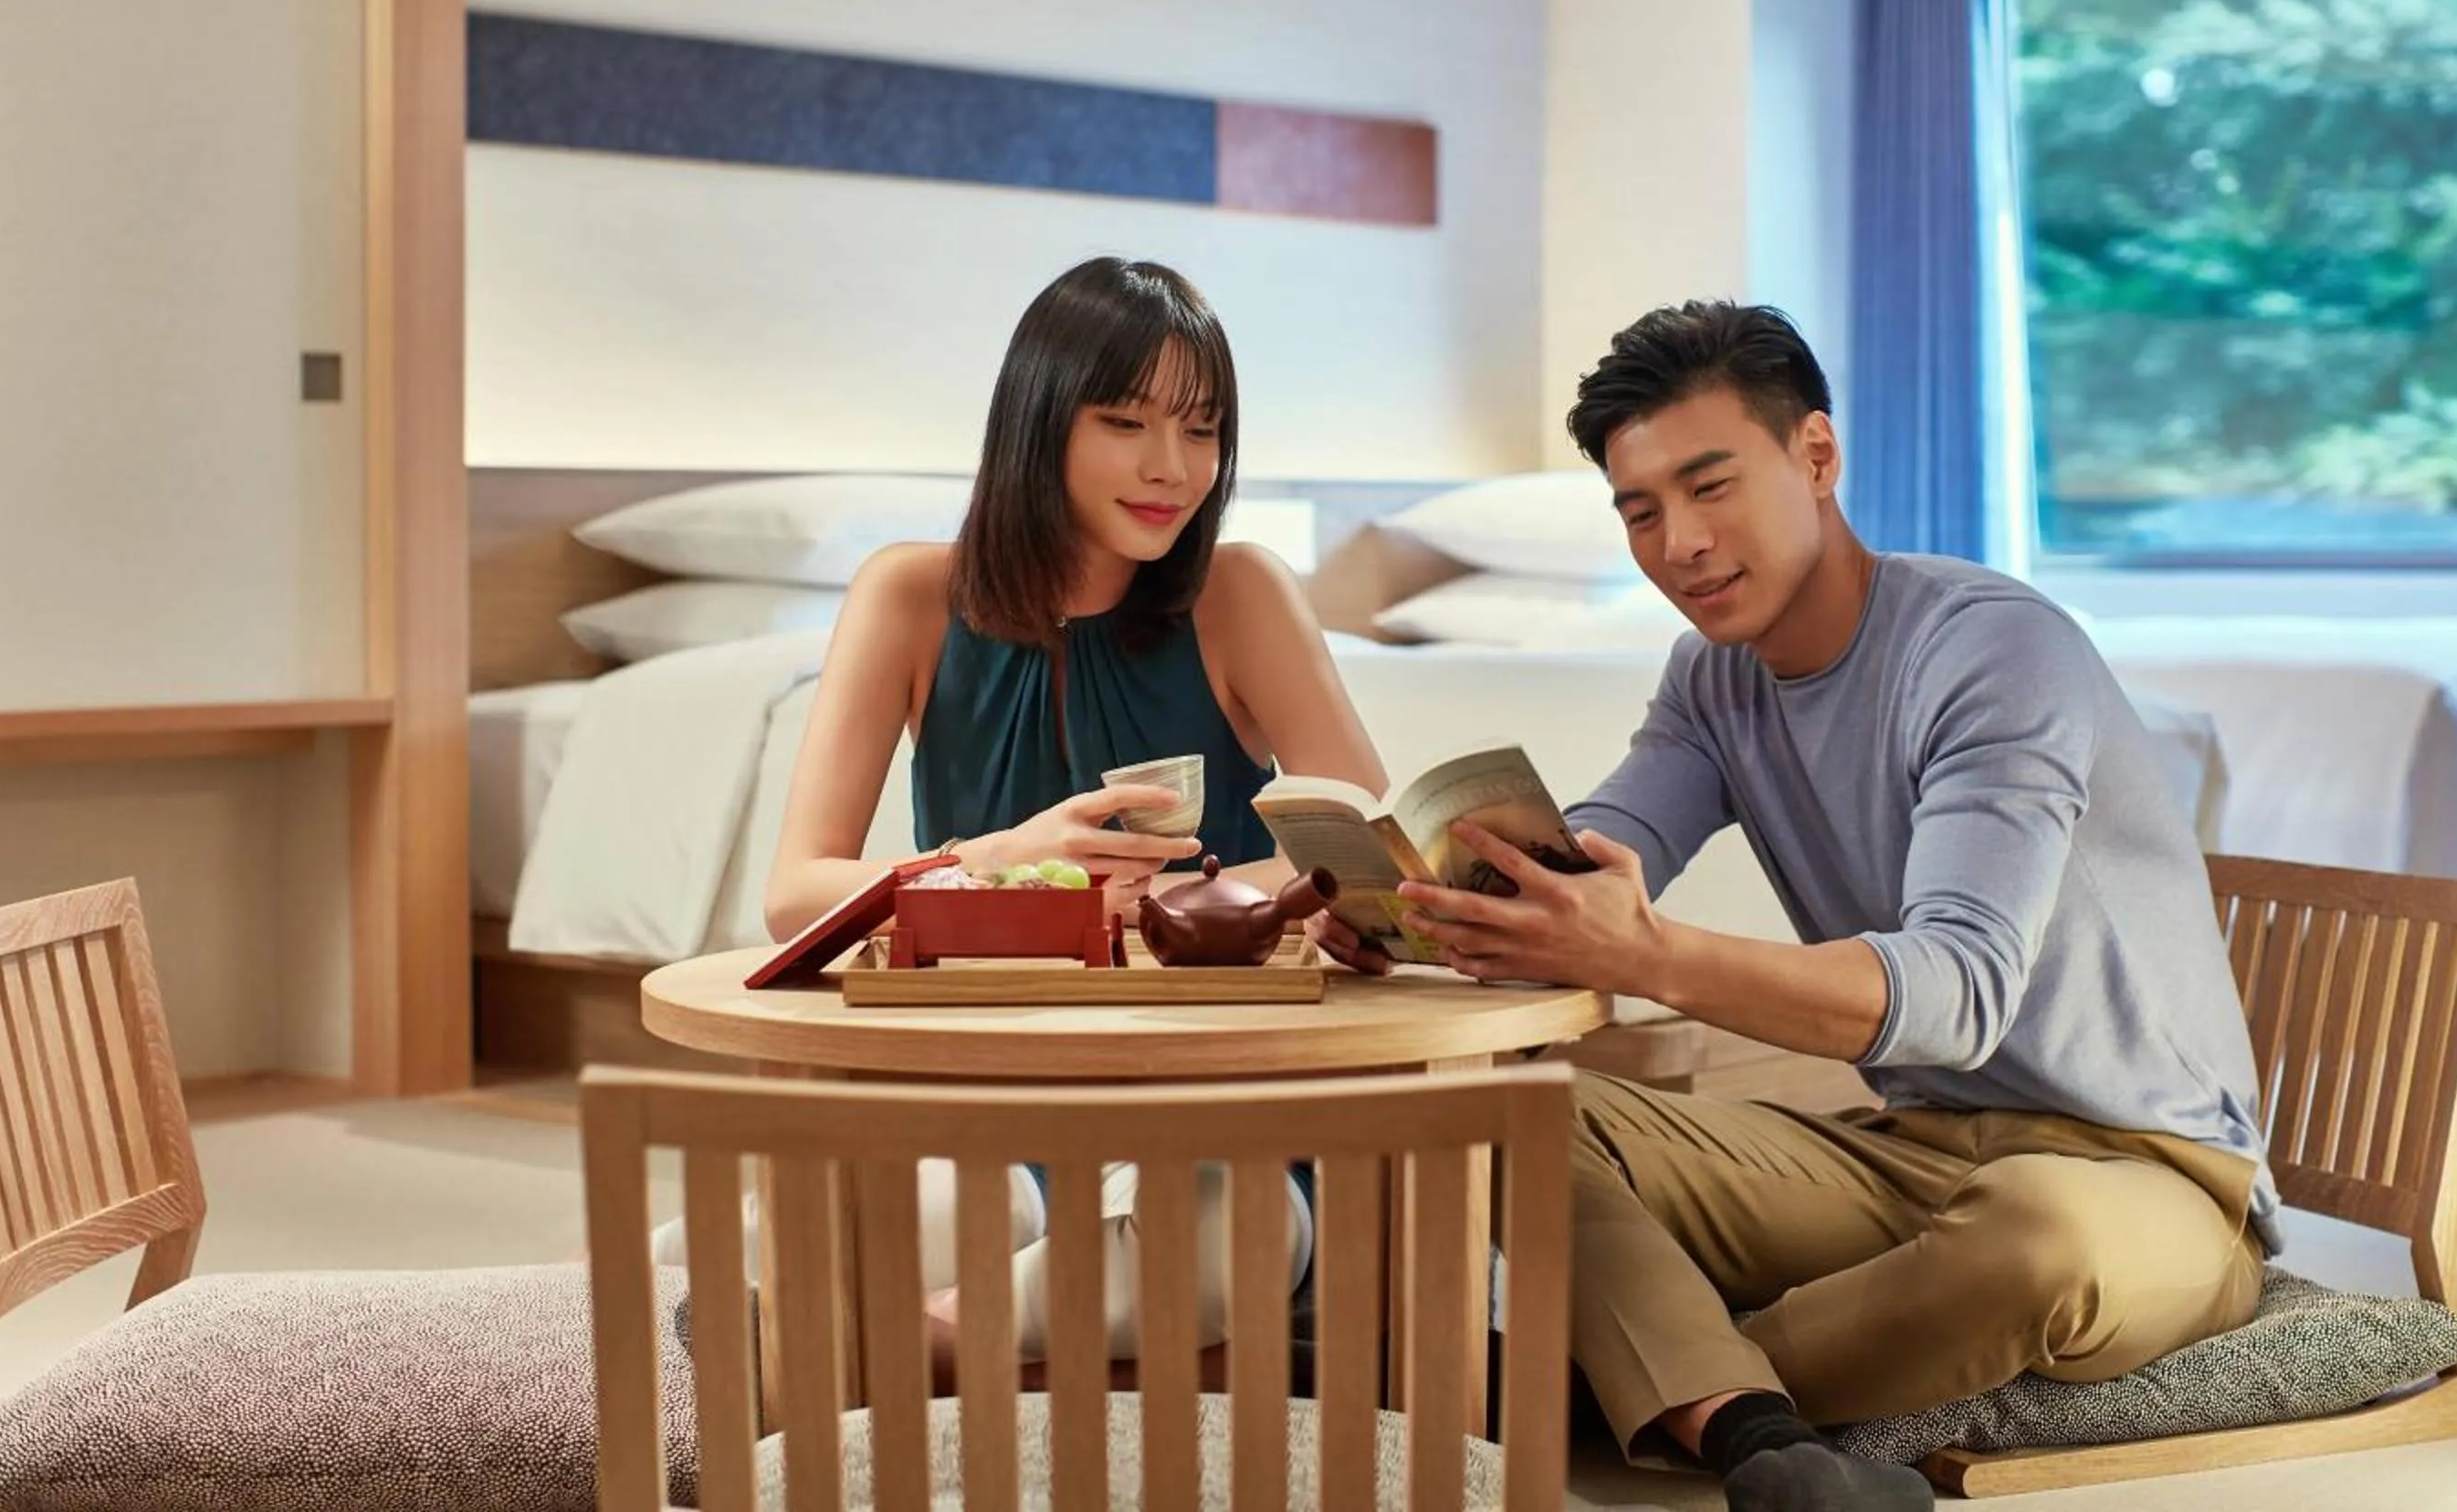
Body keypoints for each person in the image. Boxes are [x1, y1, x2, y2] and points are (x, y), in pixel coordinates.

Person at [1313, 301, 2275, 1512]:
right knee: (1500, 1108)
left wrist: (1650, 954)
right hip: (1909, 1157)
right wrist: (1432, 915)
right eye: (1642, 512)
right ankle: (1753, 1435)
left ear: (1816, 456)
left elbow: (1959, 998)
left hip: (2150, 1177)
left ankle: (1628, 1386)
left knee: (2043, 1245)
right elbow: (1608, 854)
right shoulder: (1713, 678)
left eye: (1711, 487)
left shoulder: (1990, 650)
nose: (1682, 545)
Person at [706, 256, 1388, 1364]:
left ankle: (904, 1348)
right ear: (1037, 422)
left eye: (1203, 429)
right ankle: (917, 1329)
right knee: (907, 1214)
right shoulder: (911, 595)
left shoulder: (1239, 593)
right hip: (989, 1087)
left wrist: (1193, 901)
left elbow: (1361, 846)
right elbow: (798, 892)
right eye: (1125, 421)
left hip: (1213, 1092)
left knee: (1233, 1229)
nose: (1174, 468)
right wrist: (1000, 857)